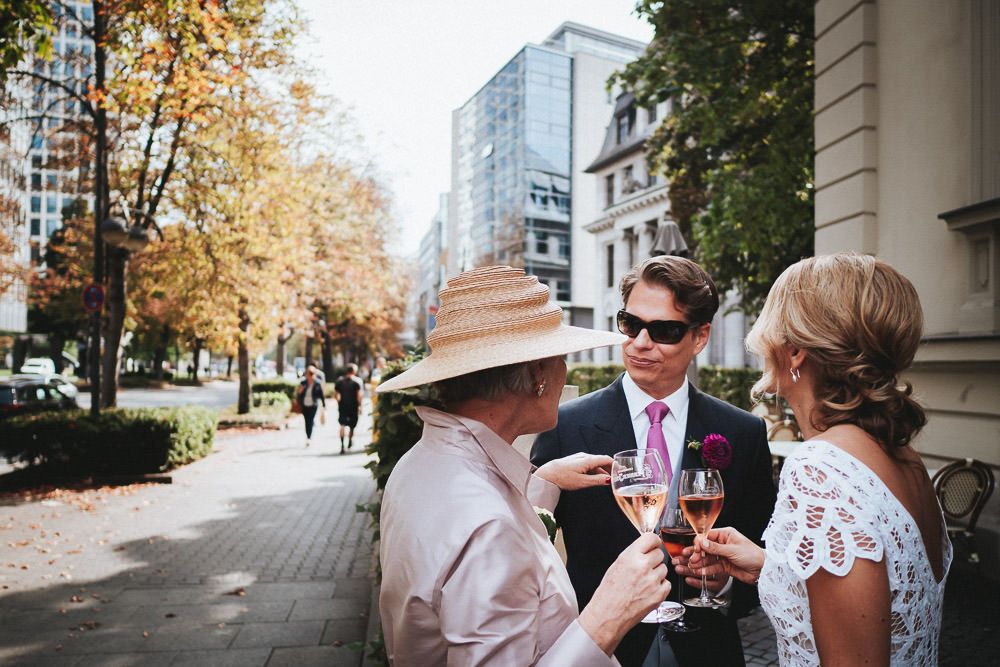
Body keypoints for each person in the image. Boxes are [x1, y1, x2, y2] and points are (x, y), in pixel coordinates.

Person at [376, 265, 672, 666]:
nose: (566, 370)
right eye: (561, 358)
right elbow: (486, 534)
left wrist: (543, 481)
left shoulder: (420, 465)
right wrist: (608, 615)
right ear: (538, 374)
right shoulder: (489, 525)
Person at [684, 253, 952, 666]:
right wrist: (768, 567)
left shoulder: (822, 467)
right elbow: (882, 592)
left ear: (794, 351)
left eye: (769, 323)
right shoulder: (904, 457)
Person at [531, 255, 776, 667]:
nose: (640, 342)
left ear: (699, 337)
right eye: (630, 324)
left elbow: (766, 550)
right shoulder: (565, 425)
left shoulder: (742, 432)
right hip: (603, 649)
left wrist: (725, 586)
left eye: (663, 330)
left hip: (706, 650)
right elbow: (530, 543)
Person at [334, 363, 363, 454]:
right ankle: (350, 440)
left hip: (343, 406)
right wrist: (360, 406)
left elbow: (336, 395)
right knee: (352, 426)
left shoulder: (340, 381)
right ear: (354, 371)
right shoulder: (356, 382)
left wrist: (339, 402)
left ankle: (342, 445)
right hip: (353, 407)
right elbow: (359, 396)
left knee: (342, 425)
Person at [295, 365, 325, 447]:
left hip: (313, 404)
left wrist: (324, 404)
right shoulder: (303, 383)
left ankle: (309, 437)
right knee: (306, 421)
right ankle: (308, 435)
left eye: (312, 373)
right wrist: (300, 392)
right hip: (304, 404)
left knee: (310, 420)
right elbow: (298, 394)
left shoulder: (317, 383)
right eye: (309, 373)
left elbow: (321, 395)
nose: (310, 375)